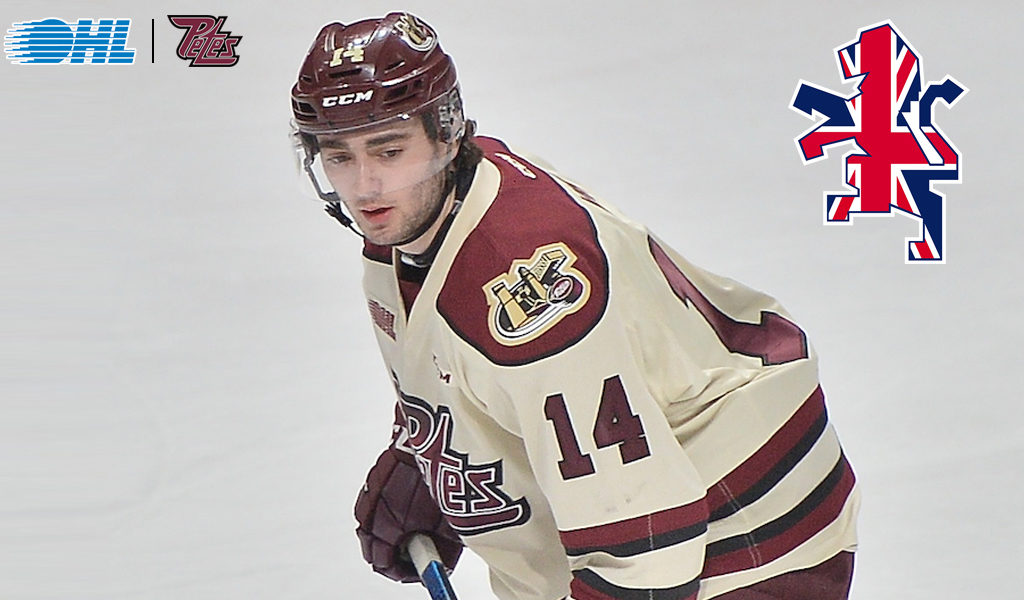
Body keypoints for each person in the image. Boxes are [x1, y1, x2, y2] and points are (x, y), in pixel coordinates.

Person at [290, 12, 859, 600]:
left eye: (388, 150)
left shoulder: (525, 300)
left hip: (748, 534)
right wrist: (440, 458)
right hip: (662, 509)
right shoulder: (421, 224)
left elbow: (646, 546)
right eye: (339, 157)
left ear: (445, 130)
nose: (364, 186)